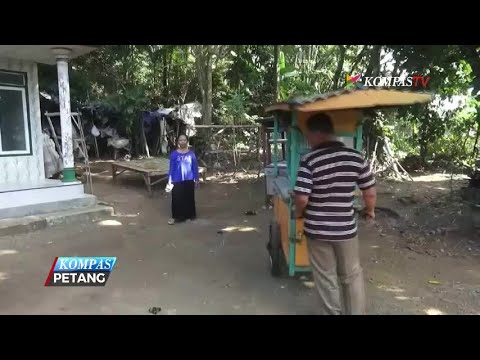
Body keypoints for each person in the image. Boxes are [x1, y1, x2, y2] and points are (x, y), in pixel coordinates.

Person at [293, 113, 377, 315]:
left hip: (318, 230)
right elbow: (370, 192)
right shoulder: (355, 157)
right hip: (346, 230)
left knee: (326, 276)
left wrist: (298, 213)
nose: (308, 140)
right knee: (351, 275)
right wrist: (370, 211)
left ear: (317, 133)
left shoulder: (310, 159)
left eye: (308, 136)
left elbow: (302, 197)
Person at [167, 134, 199, 225]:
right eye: (180, 140)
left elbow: (194, 167)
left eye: (184, 140)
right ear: (178, 142)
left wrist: (196, 179)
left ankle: (189, 215)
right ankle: (176, 217)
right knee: (176, 198)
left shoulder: (191, 154)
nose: (182, 142)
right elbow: (171, 168)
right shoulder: (174, 154)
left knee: (189, 198)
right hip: (177, 180)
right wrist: (169, 180)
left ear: (187, 141)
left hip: (189, 179)